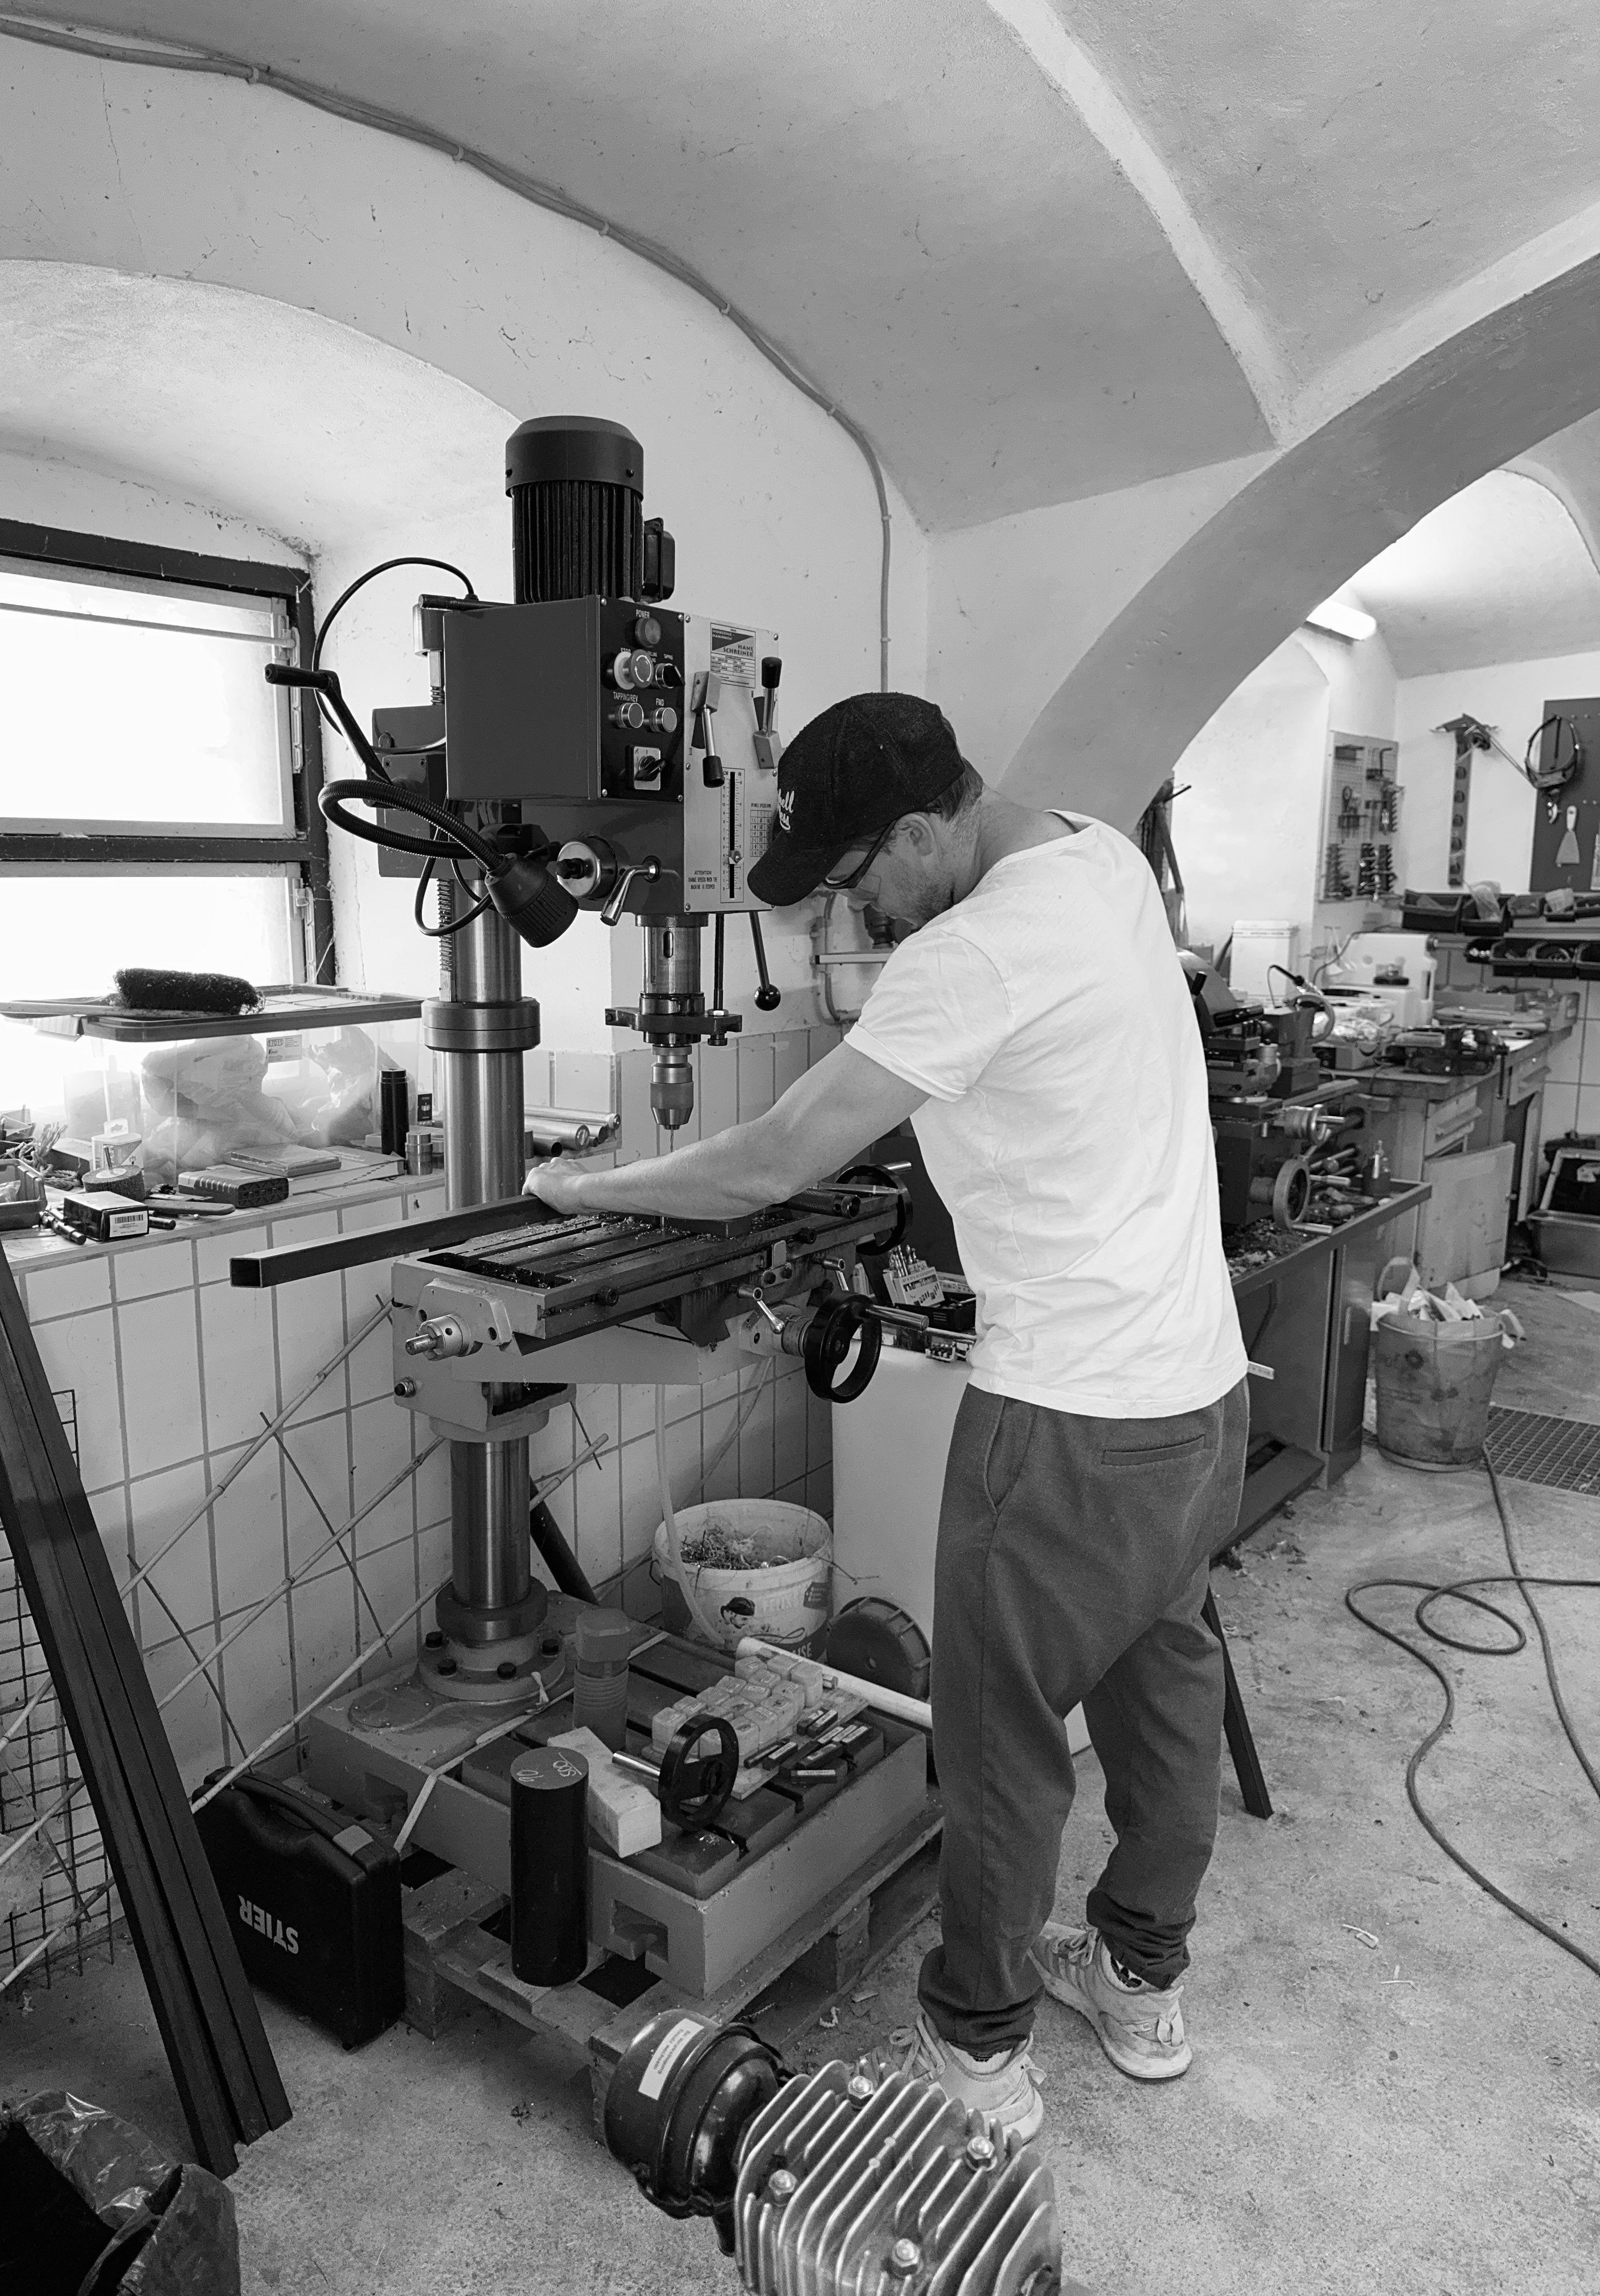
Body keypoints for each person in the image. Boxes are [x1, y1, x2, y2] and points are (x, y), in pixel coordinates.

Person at [524, 691, 1248, 2139]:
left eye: (857, 882)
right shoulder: (1095, 857)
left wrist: (587, 1187)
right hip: (1197, 1397)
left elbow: (773, 1162)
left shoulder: (971, 953)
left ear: (926, 830)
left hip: (1062, 1423)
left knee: (1001, 1749)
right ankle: (1139, 1974)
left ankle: (977, 2040)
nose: (847, 915)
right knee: (1165, 1703)